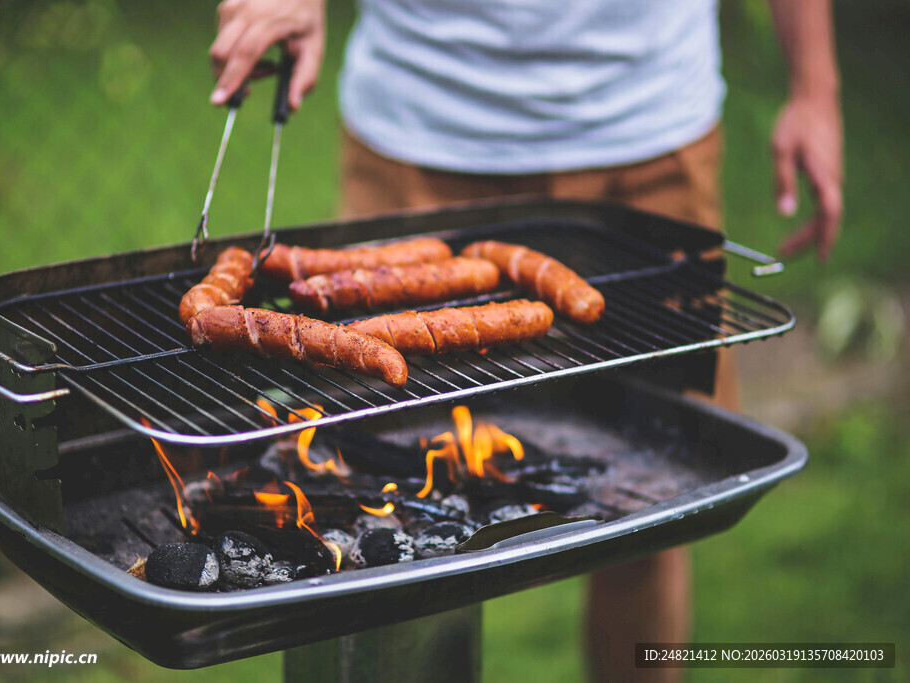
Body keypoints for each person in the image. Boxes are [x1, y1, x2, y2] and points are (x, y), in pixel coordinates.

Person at [209, 1, 842, 680]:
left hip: (648, 129)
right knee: (377, 518)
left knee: (653, 512)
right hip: (421, 124)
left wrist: (814, 88)